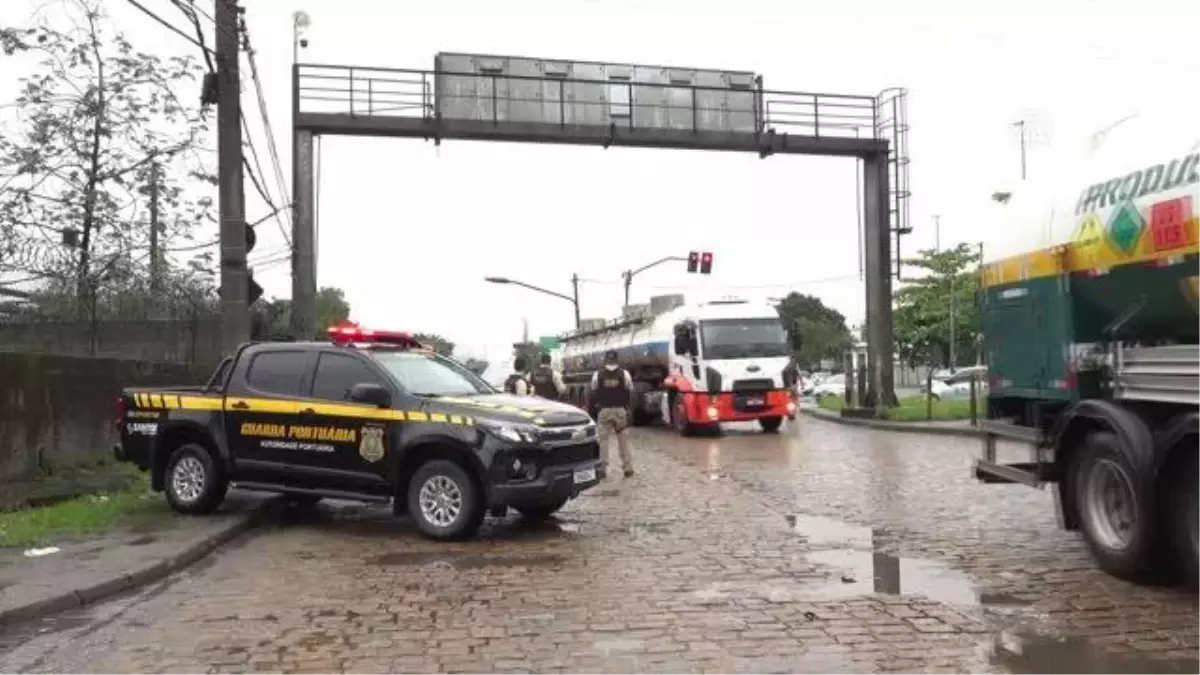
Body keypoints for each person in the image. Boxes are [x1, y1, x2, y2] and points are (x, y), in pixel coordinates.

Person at [590, 349, 634, 478]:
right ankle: (628, 467)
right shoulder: (624, 374)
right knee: (623, 440)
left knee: (603, 441)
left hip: (604, 411)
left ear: (605, 359)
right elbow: (630, 388)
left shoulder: (597, 374)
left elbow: (593, 390)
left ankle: (602, 468)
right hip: (620, 410)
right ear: (617, 359)